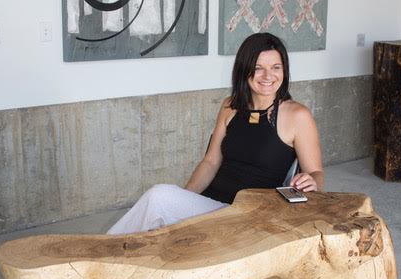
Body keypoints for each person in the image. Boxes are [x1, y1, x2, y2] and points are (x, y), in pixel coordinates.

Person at [108, 33, 323, 235]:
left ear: (284, 70)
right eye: (258, 68)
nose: (268, 76)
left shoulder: (297, 115)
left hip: (247, 215)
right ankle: (112, 252)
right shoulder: (230, 106)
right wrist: (184, 199)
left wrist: (311, 181)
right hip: (211, 205)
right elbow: (210, 162)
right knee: (161, 203)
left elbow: (316, 174)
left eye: (276, 67)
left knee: (158, 196)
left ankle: (106, 253)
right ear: (244, 70)